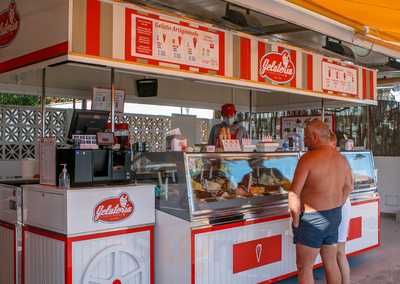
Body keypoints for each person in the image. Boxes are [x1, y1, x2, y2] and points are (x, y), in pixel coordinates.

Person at [288, 119, 353, 284]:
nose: (304, 140)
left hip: (312, 216)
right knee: (330, 262)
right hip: (334, 215)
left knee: (305, 267)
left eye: (306, 137)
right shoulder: (341, 159)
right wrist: (338, 203)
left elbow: (294, 193)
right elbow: (348, 186)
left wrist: (295, 219)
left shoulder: (308, 158)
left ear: (315, 137)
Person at [330, 131, 352, 284]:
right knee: (337, 253)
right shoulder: (339, 159)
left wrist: (339, 203)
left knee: (338, 252)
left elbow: (349, 186)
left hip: (339, 206)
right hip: (337, 206)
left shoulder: (337, 159)